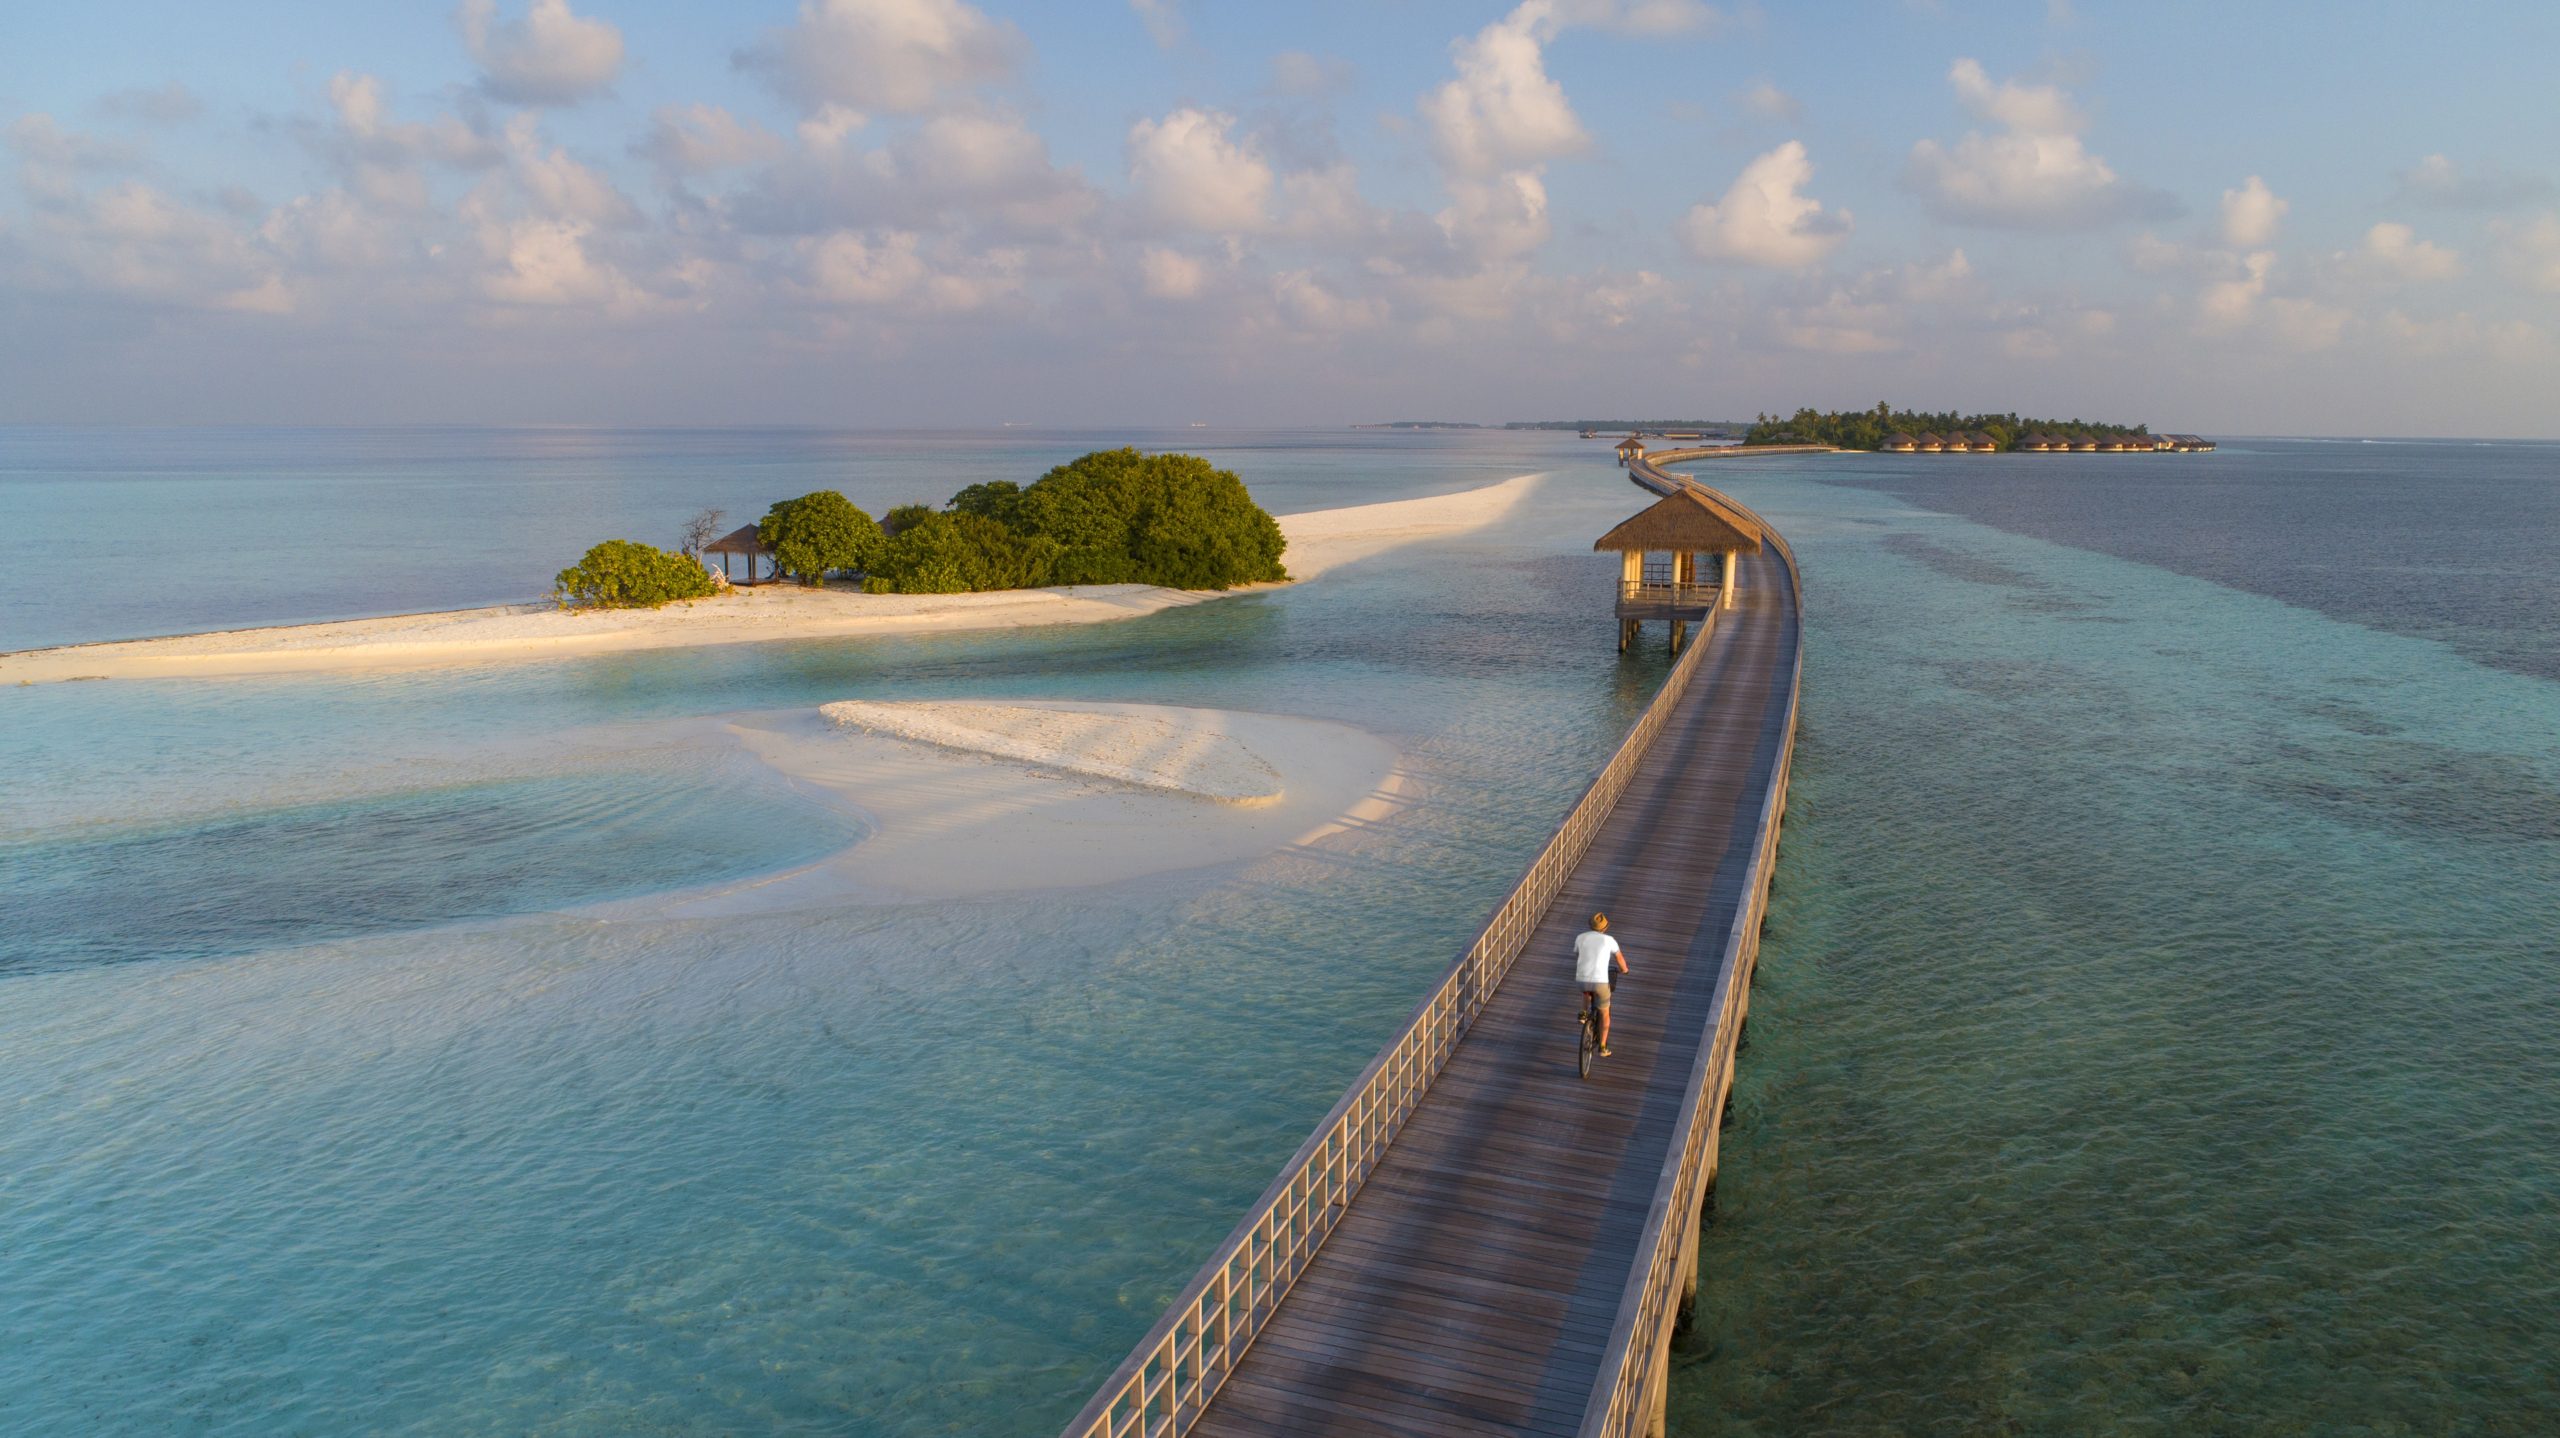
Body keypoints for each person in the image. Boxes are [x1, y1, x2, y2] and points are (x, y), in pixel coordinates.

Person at [1574, 912, 1630, 1057]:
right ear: (1605, 928)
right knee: (1605, 1013)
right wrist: (1624, 970)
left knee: (1586, 990)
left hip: (1581, 980)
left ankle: (1583, 1013)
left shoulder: (1580, 937)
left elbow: (1578, 955)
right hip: (1600, 982)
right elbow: (1620, 960)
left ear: (1590, 925)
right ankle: (1603, 1046)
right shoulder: (1609, 940)